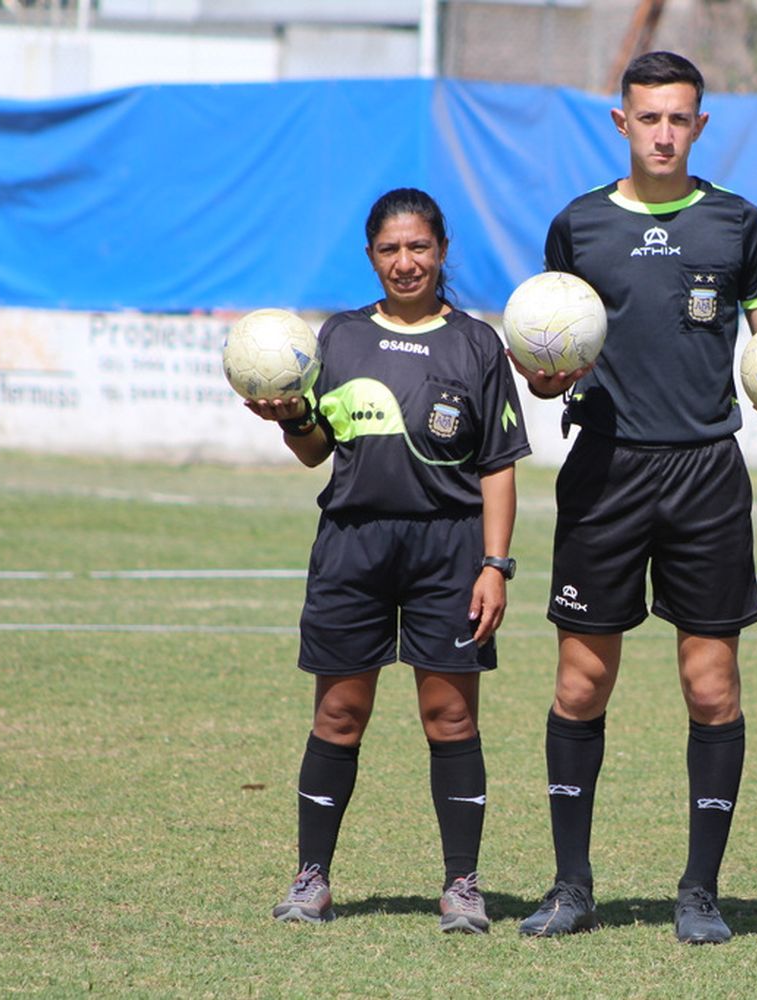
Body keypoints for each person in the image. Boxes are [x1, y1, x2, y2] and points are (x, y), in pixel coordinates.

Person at [508, 51, 757, 945]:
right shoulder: (580, 226)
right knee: (581, 682)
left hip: (707, 474)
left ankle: (700, 892)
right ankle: (570, 885)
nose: (664, 133)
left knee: (711, 688)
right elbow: (553, 349)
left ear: (701, 125)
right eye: (649, 118)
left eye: (680, 118)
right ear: (622, 123)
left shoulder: (738, 224)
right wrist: (547, 376)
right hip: (604, 470)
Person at [247, 187, 530, 932]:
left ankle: (463, 885)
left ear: (441, 252)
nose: (405, 263)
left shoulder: (476, 344)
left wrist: (494, 565)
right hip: (353, 546)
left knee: (449, 715)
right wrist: (292, 416)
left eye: (419, 248)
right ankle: (312, 878)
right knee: (340, 713)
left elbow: (498, 464)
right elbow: (314, 452)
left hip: (450, 548)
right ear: (370, 257)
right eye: (389, 250)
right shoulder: (336, 339)